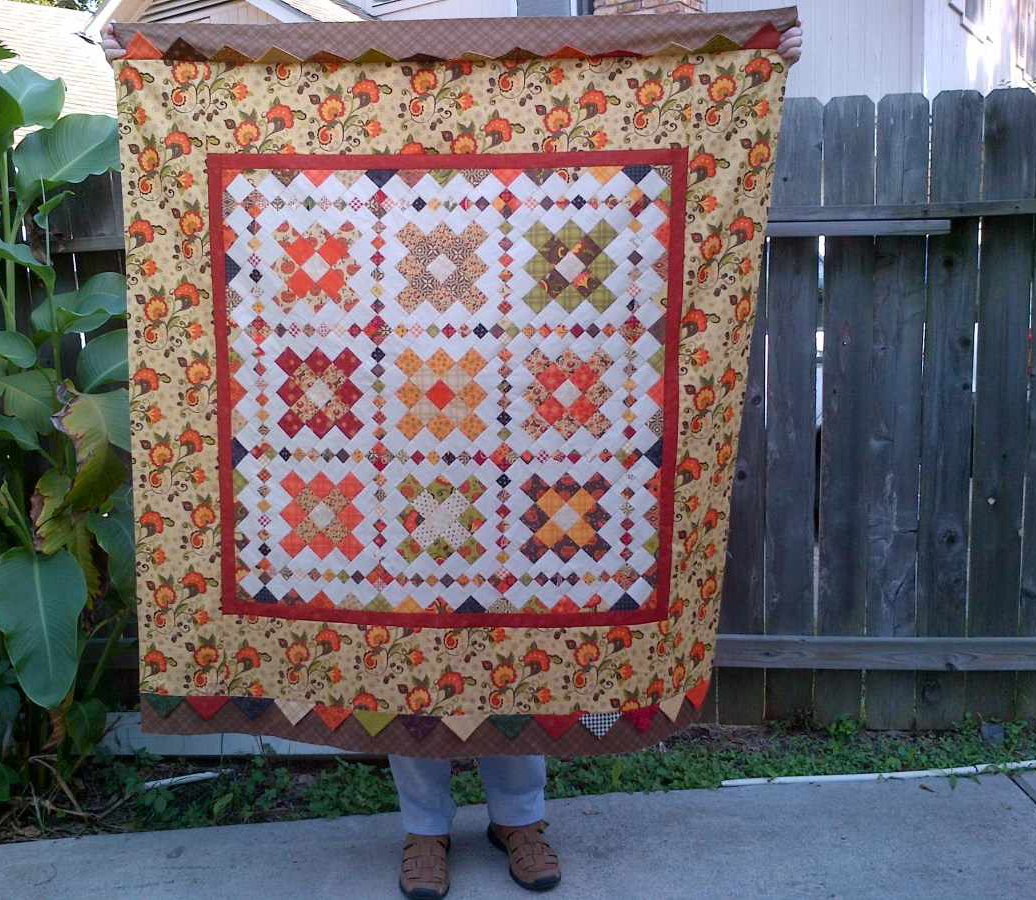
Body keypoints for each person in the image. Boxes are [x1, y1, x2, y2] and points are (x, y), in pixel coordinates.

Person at [102, 15, 802, 900]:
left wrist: (761, 61)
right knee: (407, 642)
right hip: (400, 450)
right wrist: (141, 70)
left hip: (518, 446)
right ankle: (424, 830)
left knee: (523, 624)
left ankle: (521, 818)